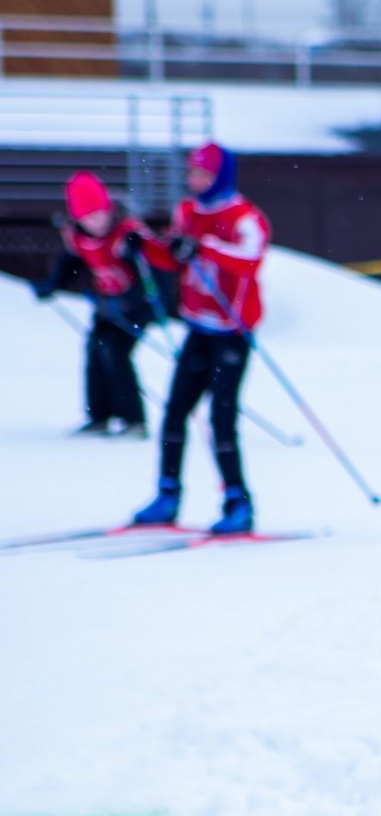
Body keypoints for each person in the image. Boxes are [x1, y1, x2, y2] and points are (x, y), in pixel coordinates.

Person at [133, 142, 268, 536]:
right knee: (175, 412)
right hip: (197, 326)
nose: (195, 182)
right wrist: (145, 246)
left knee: (221, 418)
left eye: (203, 176)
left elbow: (251, 262)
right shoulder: (187, 212)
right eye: (192, 174)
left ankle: (238, 501)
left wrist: (204, 247)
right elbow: (173, 257)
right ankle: (167, 494)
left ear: (221, 177)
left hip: (232, 331)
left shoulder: (245, 217)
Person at [33, 171, 157, 437]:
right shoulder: (78, 237)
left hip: (134, 308)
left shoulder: (127, 233)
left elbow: (156, 268)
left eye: (101, 214)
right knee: (94, 352)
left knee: (115, 352)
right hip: (105, 306)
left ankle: (134, 420)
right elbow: (71, 264)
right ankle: (99, 416)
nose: (97, 223)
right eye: (89, 218)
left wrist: (141, 298)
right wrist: (51, 285)